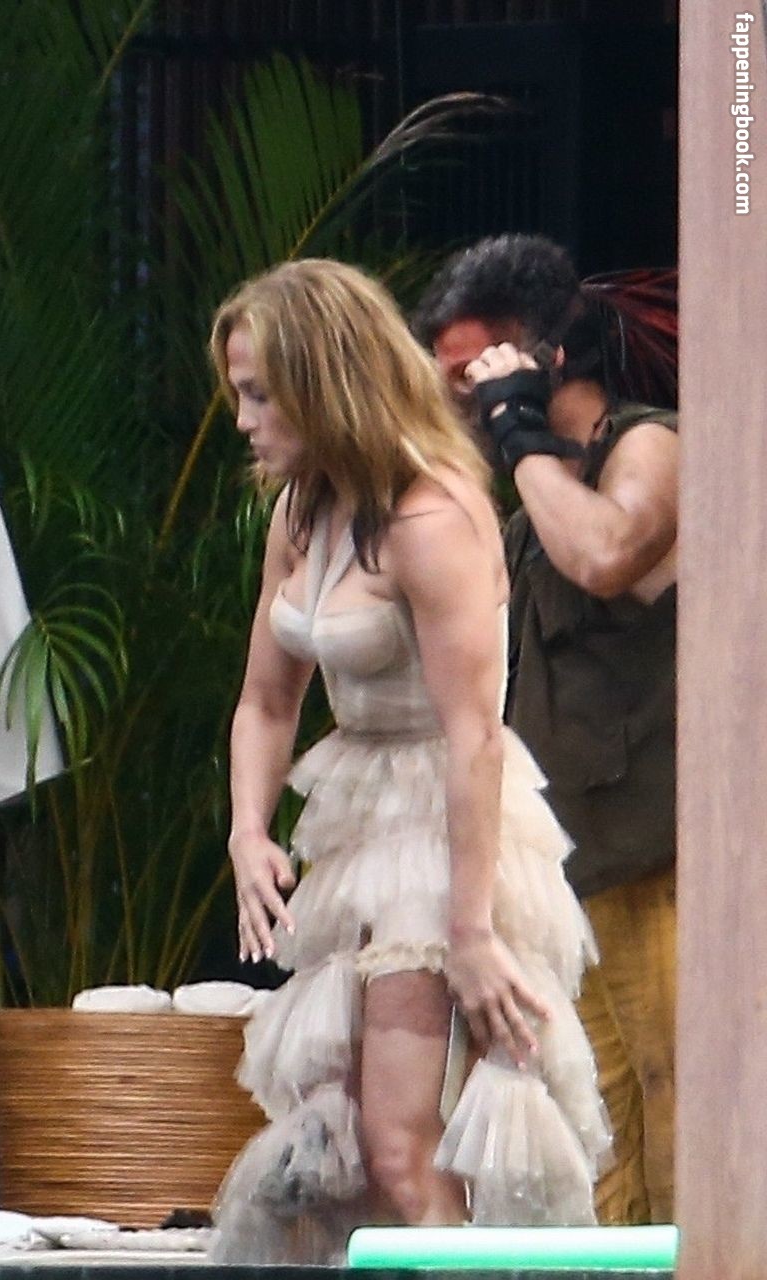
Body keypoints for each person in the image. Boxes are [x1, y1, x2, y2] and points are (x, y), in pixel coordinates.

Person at [206, 259, 608, 1264]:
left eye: (260, 394)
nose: (244, 420)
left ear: (323, 381)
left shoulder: (431, 518)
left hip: (444, 825)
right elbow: (265, 700)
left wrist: (470, 930)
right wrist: (249, 829)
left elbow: (475, 735)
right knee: (336, 1150)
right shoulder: (302, 514)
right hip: (354, 820)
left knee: (398, 1145)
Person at [415, 234, 679, 1227]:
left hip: (664, 861)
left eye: (470, 375)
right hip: (574, 875)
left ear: (545, 359)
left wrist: (520, 433)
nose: (460, 403)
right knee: (598, 1133)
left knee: (679, 1099)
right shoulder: (531, 505)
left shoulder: (648, 445)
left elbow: (609, 553)